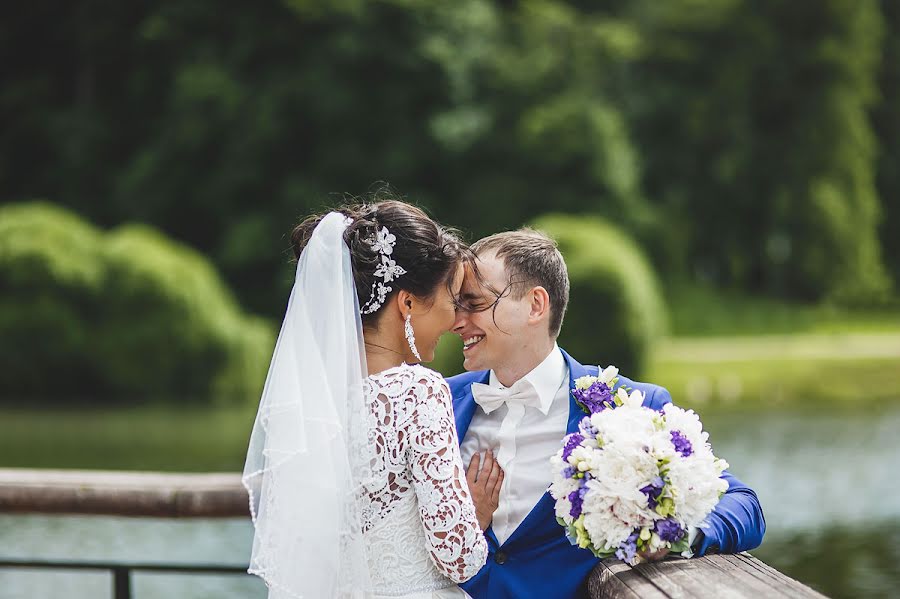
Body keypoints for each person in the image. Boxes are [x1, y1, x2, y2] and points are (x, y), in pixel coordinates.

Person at [447, 229, 766, 599]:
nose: (457, 321)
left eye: (474, 303)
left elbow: (745, 505)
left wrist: (673, 536)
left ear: (536, 305)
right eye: (456, 305)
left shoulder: (628, 407)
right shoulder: (438, 402)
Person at [242, 198, 504, 599]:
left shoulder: (314, 405)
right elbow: (459, 556)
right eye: (452, 300)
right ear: (408, 303)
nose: (454, 321)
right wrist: (475, 514)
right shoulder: (418, 392)